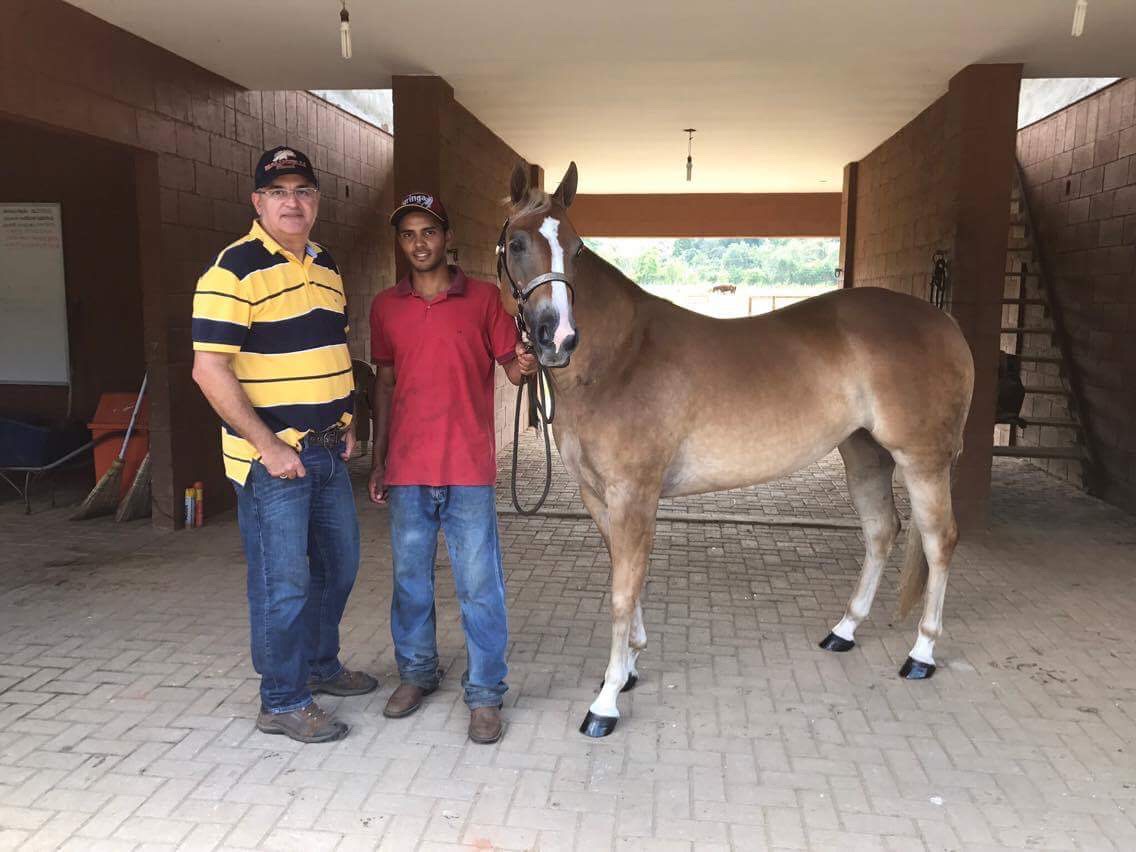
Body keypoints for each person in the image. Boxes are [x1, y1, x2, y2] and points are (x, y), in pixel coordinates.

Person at [192, 146, 377, 744]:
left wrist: (348, 419)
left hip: (326, 449)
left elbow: (331, 351)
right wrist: (268, 446)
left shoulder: (325, 263)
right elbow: (208, 369)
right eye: (278, 192)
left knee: (340, 565)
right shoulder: (232, 270)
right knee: (284, 581)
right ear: (257, 201)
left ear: (316, 201)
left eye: (302, 191)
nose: (291, 202)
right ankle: (282, 699)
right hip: (273, 461)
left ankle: (319, 665)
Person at [369, 192, 537, 744]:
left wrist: (526, 360)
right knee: (410, 582)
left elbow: (513, 370)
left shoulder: (485, 299)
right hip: (408, 469)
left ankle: (485, 692)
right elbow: (385, 384)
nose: (419, 243)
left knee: (480, 586)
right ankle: (417, 673)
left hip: (467, 468)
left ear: (447, 237)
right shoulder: (385, 307)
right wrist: (379, 459)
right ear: (401, 243)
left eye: (429, 232)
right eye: (408, 234)